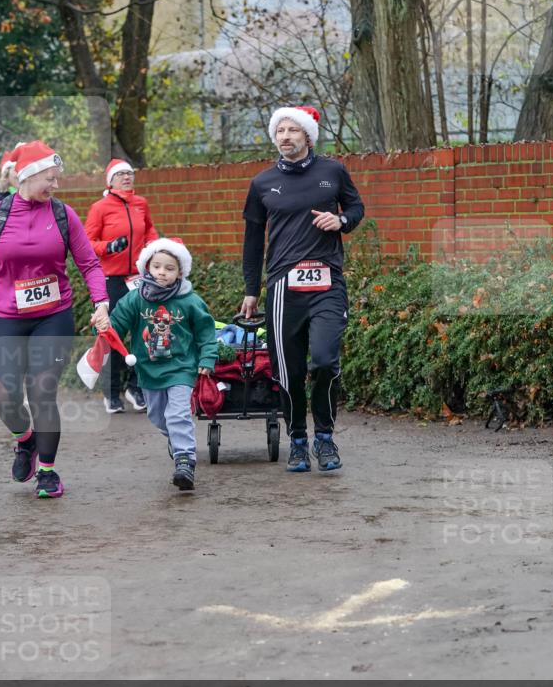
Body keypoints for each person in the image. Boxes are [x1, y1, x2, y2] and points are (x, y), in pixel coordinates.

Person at [0, 140, 109, 498]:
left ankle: (47, 471)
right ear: (29, 175)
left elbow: (89, 262)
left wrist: (101, 302)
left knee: (42, 390)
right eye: (51, 179)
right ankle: (25, 440)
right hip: (6, 317)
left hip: (52, 318)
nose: (56, 186)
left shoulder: (63, 214)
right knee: (3, 393)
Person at [240, 105, 364, 473]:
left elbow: (356, 208)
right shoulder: (262, 183)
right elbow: (251, 241)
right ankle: (296, 440)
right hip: (282, 288)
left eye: (293, 130)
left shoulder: (333, 171)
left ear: (307, 136)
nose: (285, 137)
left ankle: (324, 437)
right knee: (287, 370)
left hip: (327, 281)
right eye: (280, 131)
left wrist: (340, 220)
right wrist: (251, 289)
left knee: (325, 360)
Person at [100, 237, 218, 492]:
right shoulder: (135, 299)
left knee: (178, 414)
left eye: (169, 268)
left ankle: (185, 460)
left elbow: (206, 333)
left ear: (180, 272)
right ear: (147, 267)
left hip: (181, 368)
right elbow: (117, 326)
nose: (162, 272)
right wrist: (104, 330)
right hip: (148, 369)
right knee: (157, 416)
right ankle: (176, 441)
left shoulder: (189, 301)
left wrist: (207, 358)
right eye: (157, 266)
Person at [84, 159, 159, 415]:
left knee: (146, 332)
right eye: (121, 174)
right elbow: (87, 243)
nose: (127, 177)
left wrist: (154, 249)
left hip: (138, 277)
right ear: (110, 181)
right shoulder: (100, 208)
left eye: (130, 173)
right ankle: (112, 392)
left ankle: (135, 387)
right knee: (112, 333)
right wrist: (109, 247)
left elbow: (149, 230)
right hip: (111, 279)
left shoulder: (141, 204)